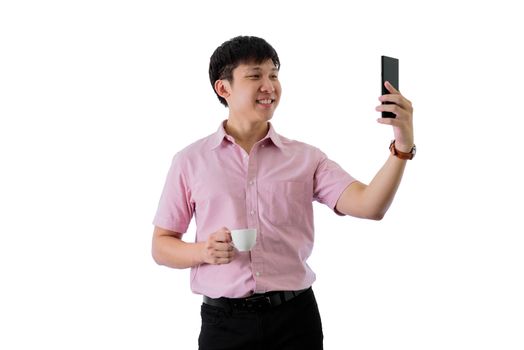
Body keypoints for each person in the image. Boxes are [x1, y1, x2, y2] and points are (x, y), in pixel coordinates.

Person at [151, 35, 415, 350]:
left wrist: (401, 147)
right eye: (255, 76)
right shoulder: (190, 161)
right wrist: (202, 252)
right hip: (224, 325)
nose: (269, 86)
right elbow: (161, 245)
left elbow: (370, 205)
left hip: (295, 321)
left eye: (274, 75)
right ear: (224, 88)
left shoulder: (306, 158)